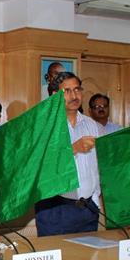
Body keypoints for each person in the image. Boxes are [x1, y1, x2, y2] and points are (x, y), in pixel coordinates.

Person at [35, 72, 102, 236]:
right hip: (55, 209)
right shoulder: (43, 126)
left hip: (88, 209)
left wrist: (95, 200)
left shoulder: (92, 125)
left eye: (77, 89)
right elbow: (39, 165)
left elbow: (98, 167)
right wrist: (74, 148)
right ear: (54, 95)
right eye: (67, 91)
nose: (74, 95)